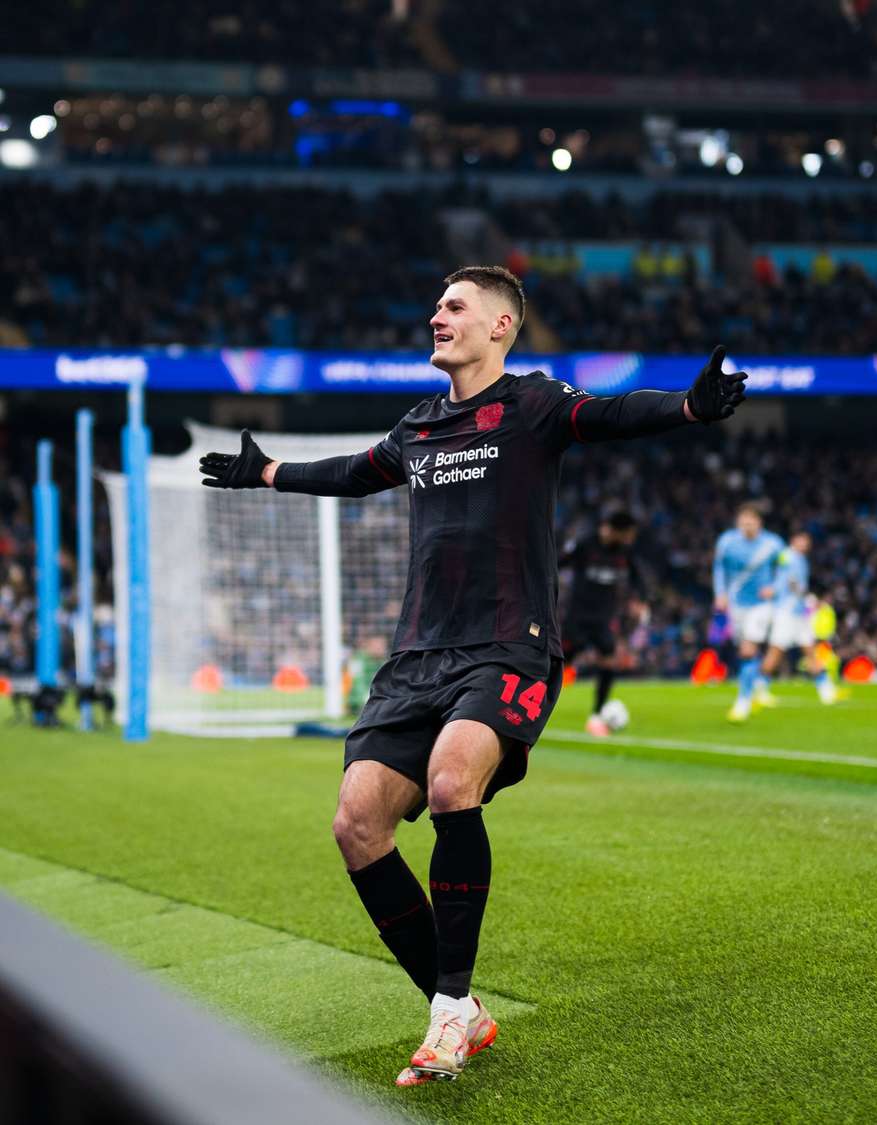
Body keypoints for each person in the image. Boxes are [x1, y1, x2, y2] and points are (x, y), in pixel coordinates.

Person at [200, 265, 747, 1086]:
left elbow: (608, 415)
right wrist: (267, 470)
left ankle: (448, 1010)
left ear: (500, 326)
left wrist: (690, 407)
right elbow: (353, 472)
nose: (436, 315)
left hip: (506, 647)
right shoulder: (419, 427)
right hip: (416, 658)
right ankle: (456, 1007)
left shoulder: (533, 405)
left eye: (454, 306)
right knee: (356, 825)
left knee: (455, 781)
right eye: (436, 304)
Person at [559, 509, 645, 736]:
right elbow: (559, 562)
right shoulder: (586, 545)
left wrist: (641, 600)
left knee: (608, 659)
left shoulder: (624, 552)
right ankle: (533, 705)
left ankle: (596, 715)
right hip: (578, 617)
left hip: (603, 619)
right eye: (628, 534)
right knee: (559, 666)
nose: (631, 539)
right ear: (617, 530)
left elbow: (638, 577)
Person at [712, 504, 784, 723]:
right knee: (746, 650)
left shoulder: (773, 544)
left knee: (747, 649)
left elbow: (784, 568)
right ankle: (758, 684)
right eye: (743, 521)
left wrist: (775, 587)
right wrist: (720, 593)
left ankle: (743, 701)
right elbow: (718, 568)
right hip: (736, 604)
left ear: (759, 523)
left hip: (761, 605)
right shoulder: (726, 542)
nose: (747, 525)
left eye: (751, 521)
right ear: (738, 522)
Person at [754, 530, 837, 707]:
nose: (804, 544)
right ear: (793, 540)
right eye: (801, 540)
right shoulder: (788, 556)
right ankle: (759, 689)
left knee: (810, 650)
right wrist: (810, 599)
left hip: (798, 613)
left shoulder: (800, 559)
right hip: (786, 612)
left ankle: (826, 690)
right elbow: (789, 581)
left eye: (806, 541)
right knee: (775, 652)